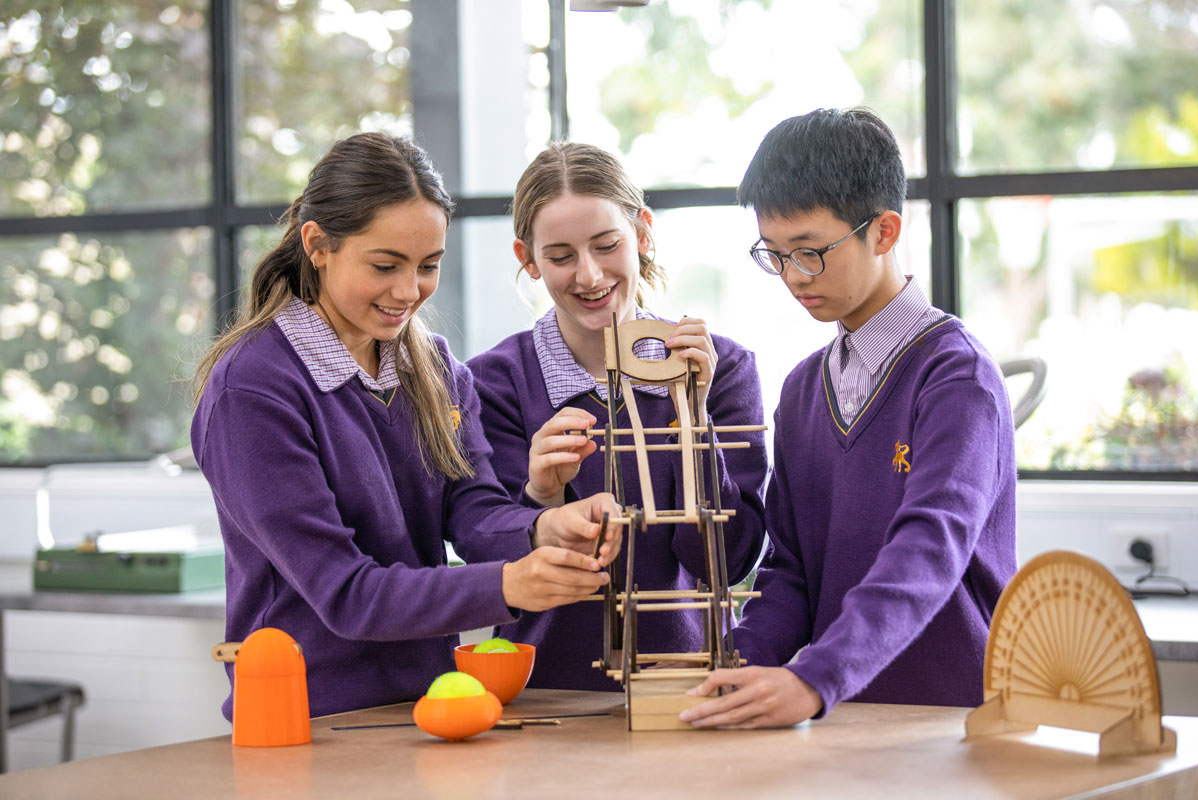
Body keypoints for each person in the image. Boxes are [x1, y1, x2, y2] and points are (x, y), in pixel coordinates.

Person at [190, 132, 621, 720]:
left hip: (428, 709)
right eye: (385, 265)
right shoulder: (253, 391)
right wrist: (509, 584)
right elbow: (345, 593)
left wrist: (547, 527)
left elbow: (473, 512)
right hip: (304, 717)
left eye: (428, 266)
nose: (408, 291)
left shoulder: (432, 367)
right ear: (317, 244)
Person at [680, 108, 1017, 728]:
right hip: (848, 717)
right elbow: (792, 572)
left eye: (810, 253)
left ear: (884, 231)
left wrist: (814, 676)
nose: (791, 278)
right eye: (774, 254)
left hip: (956, 722)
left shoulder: (955, 377)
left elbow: (929, 546)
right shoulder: (805, 388)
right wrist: (736, 667)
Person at [467, 142, 768, 691]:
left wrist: (690, 417)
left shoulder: (721, 369)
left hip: (694, 687)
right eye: (559, 256)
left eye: (607, 246)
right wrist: (540, 498)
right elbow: (485, 549)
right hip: (547, 693)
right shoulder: (492, 383)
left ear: (643, 233)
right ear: (526, 258)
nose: (588, 275)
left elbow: (730, 556)